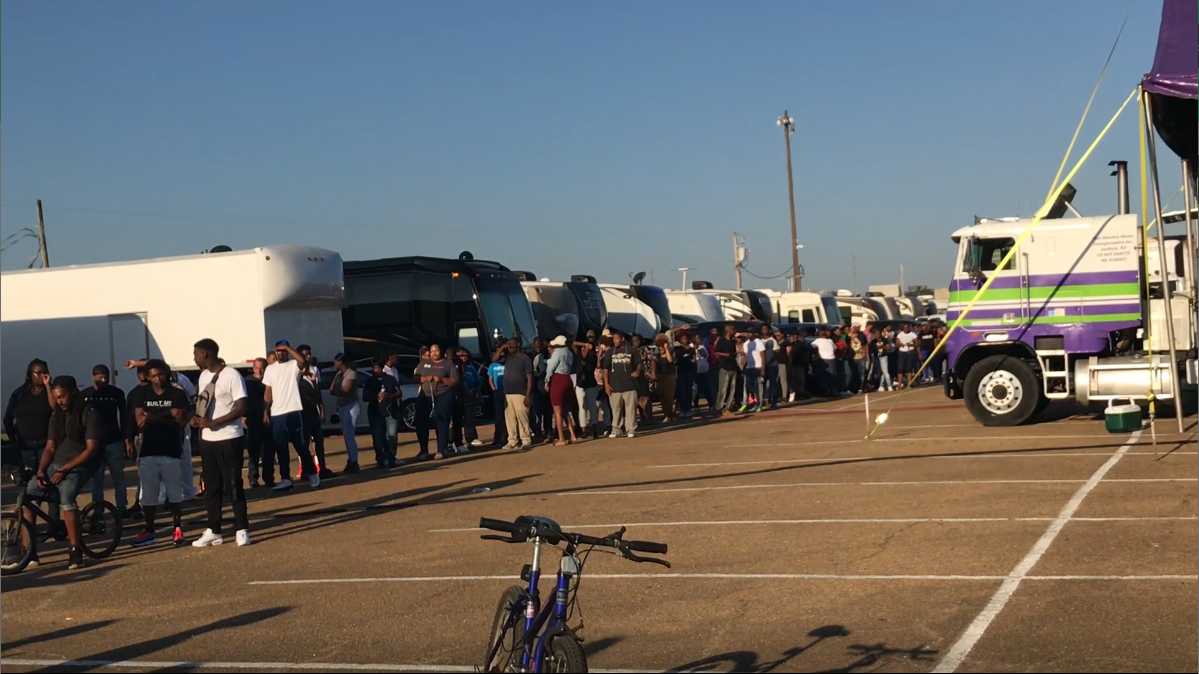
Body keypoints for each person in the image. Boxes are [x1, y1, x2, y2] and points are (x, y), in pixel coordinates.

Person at [17, 375, 101, 570]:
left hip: (80, 466)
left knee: (66, 498)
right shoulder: (56, 415)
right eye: (56, 398)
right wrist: (40, 471)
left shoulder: (89, 413)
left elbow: (90, 449)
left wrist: (64, 469)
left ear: (73, 393)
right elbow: (50, 447)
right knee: (27, 498)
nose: (59, 401)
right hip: (57, 465)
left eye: (62, 397)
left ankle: (75, 550)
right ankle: (30, 551)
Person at [191, 338, 251, 548]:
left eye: (196, 354)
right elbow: (203, 405)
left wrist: (215, 422)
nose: (194, 358)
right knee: (212, 487)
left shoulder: (232, 375)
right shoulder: (203, 376)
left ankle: (242, 528)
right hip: (208, 440)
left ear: (206, 354)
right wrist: (197, 420)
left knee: (233, 484)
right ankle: (214, 530)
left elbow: (242, 406)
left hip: (230, 438)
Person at [130, 360, 189, 547]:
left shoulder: (177, 393)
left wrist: (152, 416)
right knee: (148, 494)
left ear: (167, 373)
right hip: (148, 449)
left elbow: (180, 419)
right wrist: (167, 414)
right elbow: (139, 421)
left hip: (171, 449)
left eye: (161, 374)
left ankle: (177, 527)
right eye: (154, 376)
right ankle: (149, 530)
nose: (158, 379)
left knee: (174, 493)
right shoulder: (141, 393)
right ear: (147, 376)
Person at [263, 339, 319, 490]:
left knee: (300, 445)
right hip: (277, 413)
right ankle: (286, 478)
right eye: (278, 350)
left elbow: (302, 362)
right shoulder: (270, 369)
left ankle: (313, 474)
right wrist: (266, 410)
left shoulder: (293, 365)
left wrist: (288, 348)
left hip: (293, 410)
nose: (280, 353)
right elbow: (268, 391)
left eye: (283, 351)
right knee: (281, 447)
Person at [82, 365, 129, 517]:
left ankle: (122, 508)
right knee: (97, 480)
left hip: (114, 441)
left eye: (105, 377)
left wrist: (126, 439)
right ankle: (98, 510)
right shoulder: (86, 395)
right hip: (94, 443)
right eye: (99, 377)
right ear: (93, 376)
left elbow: (124, 417)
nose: (103, 380)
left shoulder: (116, 393)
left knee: (118, 478)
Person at [4, 359, 54, 477]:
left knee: (47, 479)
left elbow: (55, 408)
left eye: (45, 372)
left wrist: (48, 386)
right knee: (28, 481)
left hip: (46, 446)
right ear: (30, 374)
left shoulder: (50, 392)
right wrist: (13, 440)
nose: (42, 376)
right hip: (25, 447)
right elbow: (8, 418)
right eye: (38, 373)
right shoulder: (20, 394)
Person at [415, 344, 459, 460]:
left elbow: (455, 380)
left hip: (443, 395)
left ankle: (441, 450)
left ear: (441, 352)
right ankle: (423, 451)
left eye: (437, 350)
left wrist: (442, 379)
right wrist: (424, 379)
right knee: (420, 422)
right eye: (432, 351)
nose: (434, 353)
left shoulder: (448, 364)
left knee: (441, 421)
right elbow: (415, 377)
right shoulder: (424, 363)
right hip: (426, 396)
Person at [601, 330, 641, 438]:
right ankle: (616, 429)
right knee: (615, 409)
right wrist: (606, 384)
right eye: (613, 339)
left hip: (630, 385)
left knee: (631, 409)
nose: (615, 341)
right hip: (614, 386)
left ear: (622, 339)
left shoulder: (632, 350)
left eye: (617, 338)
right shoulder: (610, 352)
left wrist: (637, 372)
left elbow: (638, 363)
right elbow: (605, 369)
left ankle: (631, 429)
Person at [362, 357, 400, 468]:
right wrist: (376, 396)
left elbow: (399, 393)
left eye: (377, 368)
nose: (375, 370)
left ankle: (391, 458)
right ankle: (380, 458)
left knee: (391, 436)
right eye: (373, 368)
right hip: (375, 411)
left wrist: (388, 395)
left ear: (382, 368)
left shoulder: (390, 379)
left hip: (390, 410)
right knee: (378, 437)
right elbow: (365, 397)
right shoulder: (369, 381)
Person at [298, 364, 334, 478]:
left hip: (315, 416)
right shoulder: (301, 384)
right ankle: (306, 469)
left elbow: (319, 399)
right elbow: (311, 399)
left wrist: (322, 411)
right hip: (305, 416)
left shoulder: (315, 384)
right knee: (305, 444)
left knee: (319, 443)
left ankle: (321, 467)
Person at [242, 358, 274, 487]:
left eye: (262, 368)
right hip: (253, 419)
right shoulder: (247, 382)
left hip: (268, 419)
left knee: (269, 451)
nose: (259, 371)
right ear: (253, 368)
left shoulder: (270, 381)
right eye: (257, 368)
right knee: (253, 451)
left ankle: (269, 477)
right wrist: (243, 417)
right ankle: (253, 478)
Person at [329, 353, 361, 473]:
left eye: (336, 362)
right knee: (347, 436)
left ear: (341, 362)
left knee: (349, 436)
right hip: (343, 405)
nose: (335, 364)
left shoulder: (351, 373)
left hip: (351, 405)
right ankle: (351, 460)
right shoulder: (339, 374)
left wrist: (337, 389)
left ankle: (354, 462)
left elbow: (345, 390)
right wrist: (338, 389)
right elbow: (332, 389)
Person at [544, 335, 578, 446]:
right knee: (565, 410)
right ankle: (573, 435)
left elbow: (550, 368)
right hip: (567, 378)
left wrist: (546, 380)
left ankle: (561, 438)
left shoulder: (558, 352)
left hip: (558, 379)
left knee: (557, 411)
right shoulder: (569, 352)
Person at [501, 339, 535, 450]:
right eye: (509, 346)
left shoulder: (525, 358)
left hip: (521, 392)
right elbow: (493, 359)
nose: (510, 347)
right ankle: (512, 441)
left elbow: (529, 377)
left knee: (522, 417)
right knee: (510, 418)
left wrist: (528, 395)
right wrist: (502, 348)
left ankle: (526, 439)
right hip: (508, 393)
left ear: (518, 345)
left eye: (512, 345)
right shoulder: (507, 357)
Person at [451, 349, 483, 451]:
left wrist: (476, 391)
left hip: (470, 397)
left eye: (465, 355)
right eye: (460, 355)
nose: (463, 357)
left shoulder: (470, 367)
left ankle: (471, 439)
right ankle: (454, 442)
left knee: (470, 419)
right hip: (458, 397)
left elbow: (477, 381)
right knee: (457, 421)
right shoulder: (453, 367)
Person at [574, 339, 602, 438]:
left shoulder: (592, 357)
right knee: (582, 408)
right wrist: (584, 343)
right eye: (582, 348)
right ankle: (584, 429)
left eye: (585, 348)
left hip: (590, 385)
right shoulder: (577, 357)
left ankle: (594, 428)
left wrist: (590, 348)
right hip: (580, 386)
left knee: (592, 407)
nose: (583, 349)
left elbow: (597, 364)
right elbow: (571, 342)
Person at [713, 325, 739, 416]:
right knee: (723, 389)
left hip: (733, 367)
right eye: (733, 329)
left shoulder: (732, 341)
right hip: (724, 367)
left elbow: (734, 353)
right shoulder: (721, 341)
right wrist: (726, 355)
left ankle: (727, 408)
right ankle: (719, 408)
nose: (734, 331)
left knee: (732, 389)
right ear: (728, 331)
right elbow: (716, 352)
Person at [486, 345, 508, 449]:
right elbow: (490, 378)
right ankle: (498, 438)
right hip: (498, 392)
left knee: (508, 415)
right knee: (499, 416)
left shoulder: (509, 362)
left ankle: (507, 437)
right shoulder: (493, 365)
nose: (502, 354)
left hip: (508, 391)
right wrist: (494, 388)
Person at [654, 334, 677, 422]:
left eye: (662, 345)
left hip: (670, 377)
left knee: (669, 397)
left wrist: (666, 349)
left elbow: (670, 360)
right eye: (659, 346)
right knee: (662, 397)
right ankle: (666, 414)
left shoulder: (670, 352)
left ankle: (670, 415)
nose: (660, 348)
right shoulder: (657, 354)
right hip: (660, 377)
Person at [741, 331, 765, 413]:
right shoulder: (745, 344)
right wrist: (743, 367)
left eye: (751, 333)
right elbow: (745, 357)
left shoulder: (759, 342)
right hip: (749, 368)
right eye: (747, 333)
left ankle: (760, 405)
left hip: (757, 367)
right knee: (751, 388)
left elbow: (763, 356)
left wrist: (763, 369)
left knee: (758, 387)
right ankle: (755, 404)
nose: (749, 334)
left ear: (754, 333)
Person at [674, 334, 696, 419]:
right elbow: (676, 360)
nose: (684, 340)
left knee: (689, 392)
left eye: (686, 338)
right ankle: (683, 410)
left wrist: (693, 362)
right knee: (681, 392)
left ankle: (688, 409)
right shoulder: (677, 349)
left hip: (689, 372)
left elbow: (694, 360)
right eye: (683, 338)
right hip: (681, 372)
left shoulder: (691, 349)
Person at [812, 330, 838, 395]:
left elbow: (811, 346)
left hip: (823, 359)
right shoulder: (830, 340)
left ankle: (826, 391)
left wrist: (816, 353)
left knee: (824, 376)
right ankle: (833, 391)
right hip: (832, 359)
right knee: (832, 376)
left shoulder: (817, 340)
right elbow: (835, 348)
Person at [896, 324, 920, 389]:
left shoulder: (913, 334)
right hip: (902, 352)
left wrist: (911, 344)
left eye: (907, 327)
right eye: (904, 327)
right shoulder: (900, 335)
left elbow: (917, 344)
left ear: (909, 328)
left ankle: (909, 384)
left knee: (909, 368)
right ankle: (899, 384)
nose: (906, 329)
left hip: (910, 352)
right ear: (903, 328)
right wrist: (900, 344)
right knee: (900, 368)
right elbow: (897, 344)